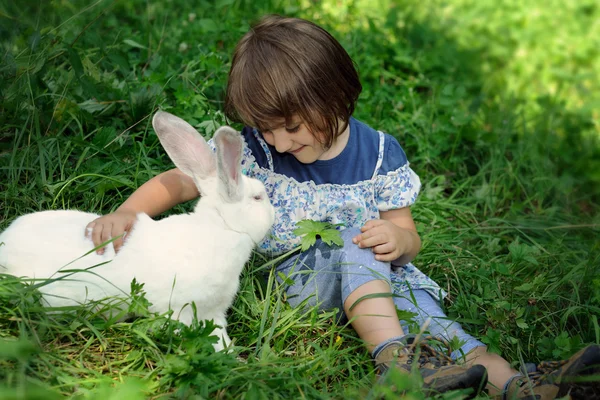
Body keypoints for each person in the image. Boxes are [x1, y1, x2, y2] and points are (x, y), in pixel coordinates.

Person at [85, 14, 600, 399]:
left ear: (336, 96)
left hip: (385, 280)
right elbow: (179, 181)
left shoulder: (378, 154)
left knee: (443, 326)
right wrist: (130, 211)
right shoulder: (257, 155)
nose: (280, 142)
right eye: (267, 129)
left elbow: (407, 235)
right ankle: (396, 362)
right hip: (309, 283)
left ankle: (520, 386)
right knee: (357, 232)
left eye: (292, 126)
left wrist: (398, 241)